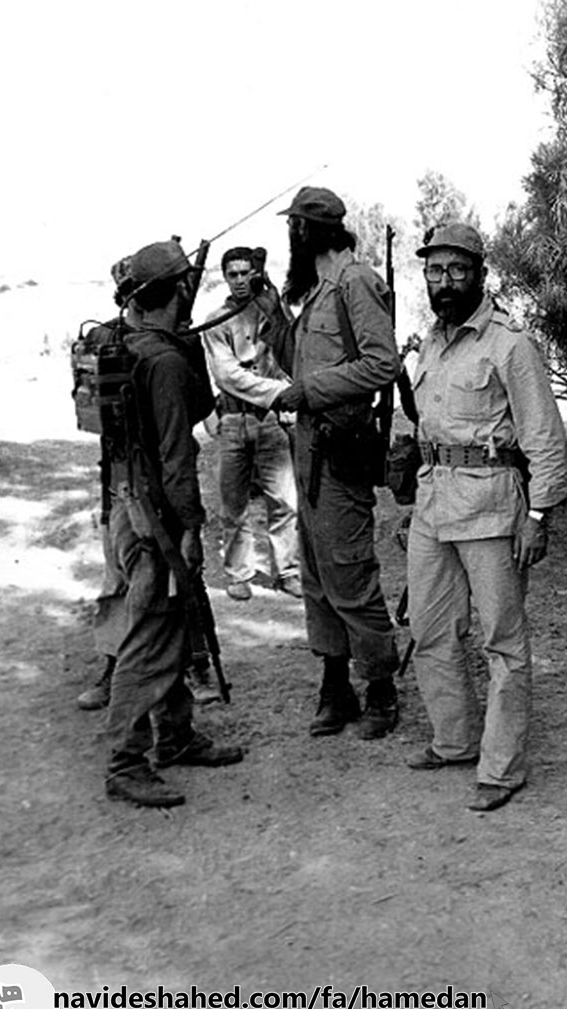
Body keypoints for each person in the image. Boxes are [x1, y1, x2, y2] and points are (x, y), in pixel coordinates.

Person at [405, 222, 567, 811]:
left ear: (480, 274)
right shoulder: (430, 342)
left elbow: (545, 437)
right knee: (430, 631)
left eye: (457, 270)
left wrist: (540, 514)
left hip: (491, 509)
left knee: (503, 642)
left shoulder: (509, 345)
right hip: (433, 505)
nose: (445, 282)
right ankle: (454, 740)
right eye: (435, 271)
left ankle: (501, 768)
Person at [257, 186, 401, 740]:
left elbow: (382, 364)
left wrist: (311, 391)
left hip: (341, 452)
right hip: (309, 452)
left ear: (306, 231)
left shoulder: (355, 282)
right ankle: (335, 686)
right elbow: (299, 364)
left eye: (293, 227)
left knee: (349, 573)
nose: (290, 237)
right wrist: (274, 316)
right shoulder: (318, 290)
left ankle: (381, 690)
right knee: (317, 575)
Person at [104, 240, 243, 808]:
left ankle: (177, 735)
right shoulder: (163, 362)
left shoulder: (129, 342)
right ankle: (125, 761)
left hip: (127, 504)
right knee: (151, 635)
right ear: (180, 290)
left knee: (175, 624)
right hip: (155, 518)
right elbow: (175, 457)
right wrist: (190, 528)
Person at [77, 257, 221, 711]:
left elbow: (196, 409)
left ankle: (182, 706)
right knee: (143, 606)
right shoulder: (147, 352)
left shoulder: (140, 342)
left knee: (169, 600)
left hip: (130, 489)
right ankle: (126, 742)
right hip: (143, 495)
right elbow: (176, 450)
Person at [202, 246, 301, 601]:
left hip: (270, 421)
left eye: (246, 273)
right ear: (225, 278)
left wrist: (277, 310)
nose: (241, 280)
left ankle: (287, 570)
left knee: (285, 501)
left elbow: (292, 353)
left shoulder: (271, 312)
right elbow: (227, 375)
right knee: (234, 505)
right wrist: (281, 392)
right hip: (233, 420)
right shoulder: (216, 322)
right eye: (234, 274)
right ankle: (238, 573)